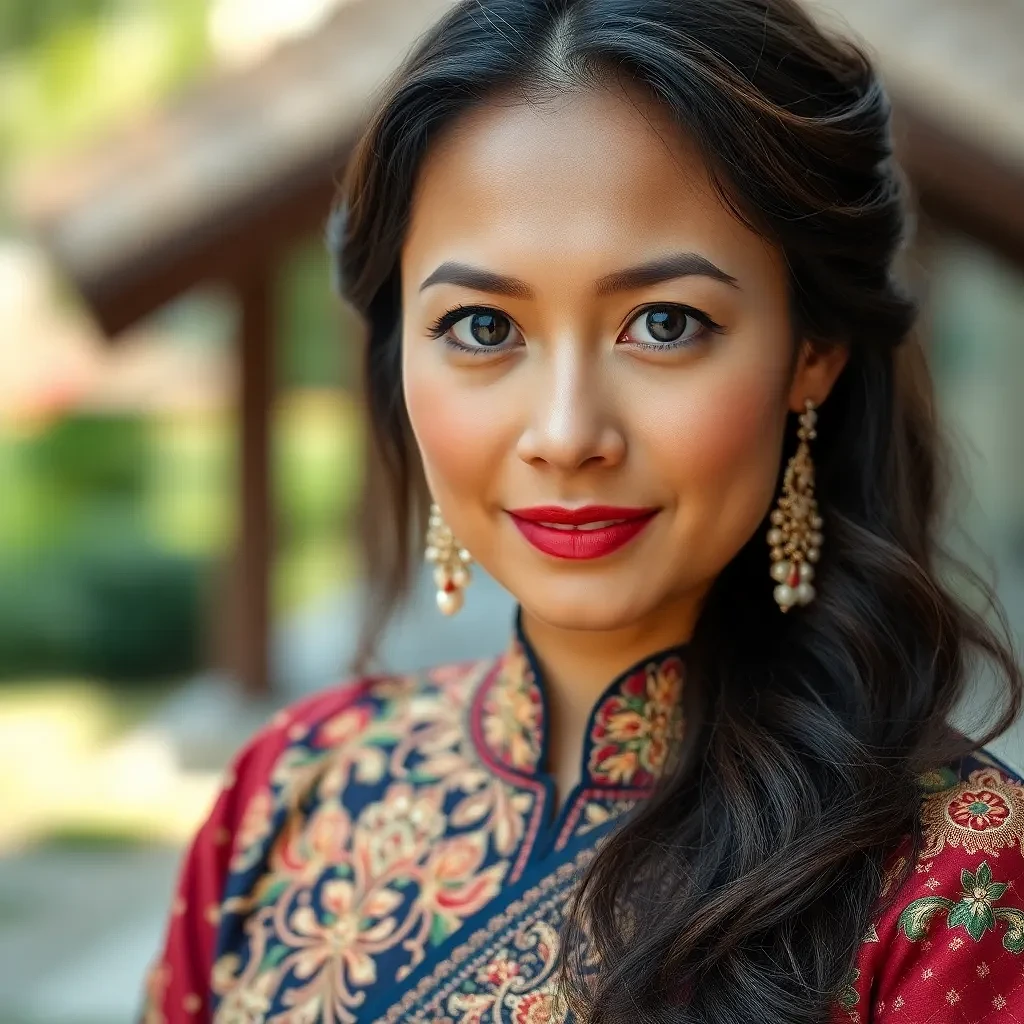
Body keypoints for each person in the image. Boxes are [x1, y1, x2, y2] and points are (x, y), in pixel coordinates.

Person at [139, 0, 1024, 1021]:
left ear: (809, 353)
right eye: (480, 325)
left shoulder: (954, 881)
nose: (565, 432)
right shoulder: (291, 794)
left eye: (663, 323)